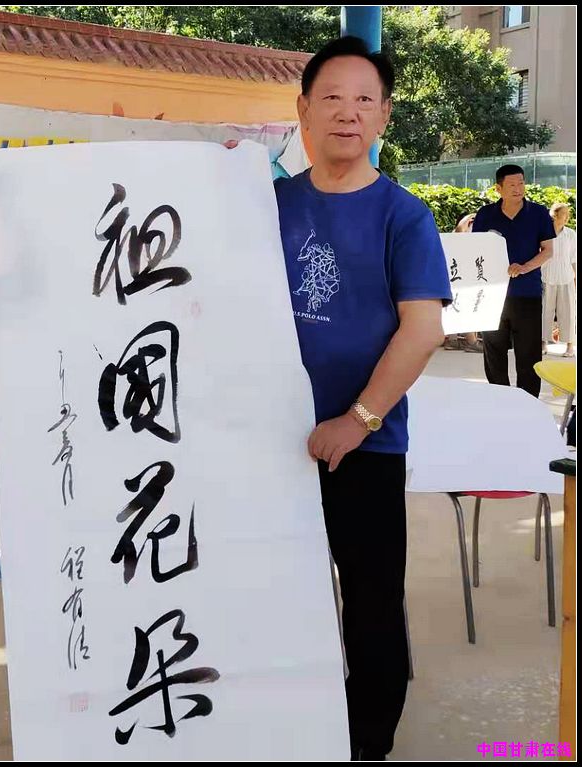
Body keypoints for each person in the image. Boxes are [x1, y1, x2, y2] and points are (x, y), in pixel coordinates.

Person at [231, 36, 451, 760]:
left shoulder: (403, 216)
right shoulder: (265, 205)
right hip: (270, 441)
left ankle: (366, 744)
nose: (346, 113)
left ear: (384, 115)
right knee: (271, 591)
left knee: (371, 601)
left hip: (365, 446)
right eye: (331, 97)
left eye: (363, 100)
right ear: (302, 110)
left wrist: (356, 421)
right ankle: (285, 725)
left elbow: (422, 330)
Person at [471, 165, 555, 397]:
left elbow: (548, 250)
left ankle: (528, 402)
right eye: (512, 185)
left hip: (527, 293)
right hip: (492, 295)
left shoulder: (538, 213)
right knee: (493, 351)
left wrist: (525, 267)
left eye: (521, 183)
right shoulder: (485, 214)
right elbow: (475, 249)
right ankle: (500, 399)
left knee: (528, 353)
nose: (518, 188)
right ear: (498, 188)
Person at [443, 213, 483, 352]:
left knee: (457, 306)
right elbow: (459, 231)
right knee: (467, 306)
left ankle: (454, 340)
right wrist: (469, 217)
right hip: (461, 275)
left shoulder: (463, 234)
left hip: (461, 275)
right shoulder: (460, 233)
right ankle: (470, 341)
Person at [542, 202, 576, 357]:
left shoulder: (571, 234)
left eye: (568, 214)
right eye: (564, 214)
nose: (567, 217)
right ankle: (543, 343)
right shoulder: (544, 233)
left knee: (568, 312)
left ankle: (569, 346)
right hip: (546, 277)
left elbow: (574, 258)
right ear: (555, 216)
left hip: (566, 277)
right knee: (545, 312)